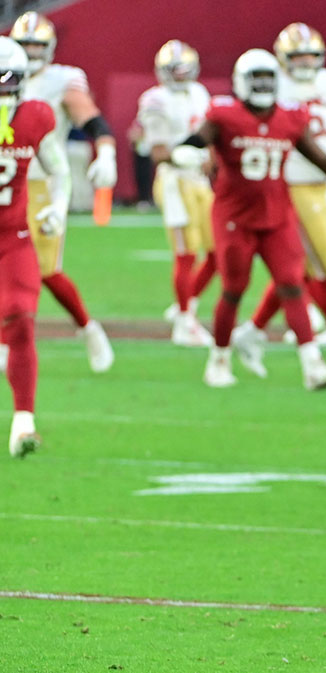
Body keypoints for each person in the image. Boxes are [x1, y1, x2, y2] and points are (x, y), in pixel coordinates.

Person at [169, 49, 326, 389]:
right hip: (234, 217)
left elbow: (319, 157)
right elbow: (198, 140)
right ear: (241, 81)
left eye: (268, 78)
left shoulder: (288, 117)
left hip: (277, 215)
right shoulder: (225, 115)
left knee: (292, 284)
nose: (262, 85)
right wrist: (184, 151)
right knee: (233, 290)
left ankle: (312, 364)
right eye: (256, 78)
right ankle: (219, 360)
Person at [231, 23, 326, 379]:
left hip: (323, 184)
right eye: (295, 56)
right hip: (292, 184)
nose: (302, 62)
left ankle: (251, 333)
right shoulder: (273, 86)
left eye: (309, 56)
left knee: (296, 270)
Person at [6, 11, 114, 374]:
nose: (33, 52)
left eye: (39, 45)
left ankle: (87, 328)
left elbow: (89, 117)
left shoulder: (62, 79)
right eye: (26, 45)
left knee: (44, 269)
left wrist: (107, 148)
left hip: (40, 181)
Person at [0, 36, 69, 456]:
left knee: (21, 317)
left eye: (12, 82)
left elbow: (59, 170)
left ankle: (23, 423)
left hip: (13, 237)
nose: (5, 90)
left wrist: (58, 208)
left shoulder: (34, 116)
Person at [136, 39, 216, 347]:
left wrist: (207, 157)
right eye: (174, 70)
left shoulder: (199, 93)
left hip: (199, 181)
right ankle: (185, 323)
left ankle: (186, 305)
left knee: (218, 254)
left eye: (184, 69)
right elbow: (157, 152)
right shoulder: (155, 100)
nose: (180, 75)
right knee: (186, 254)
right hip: (174, 181)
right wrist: (184, 155)